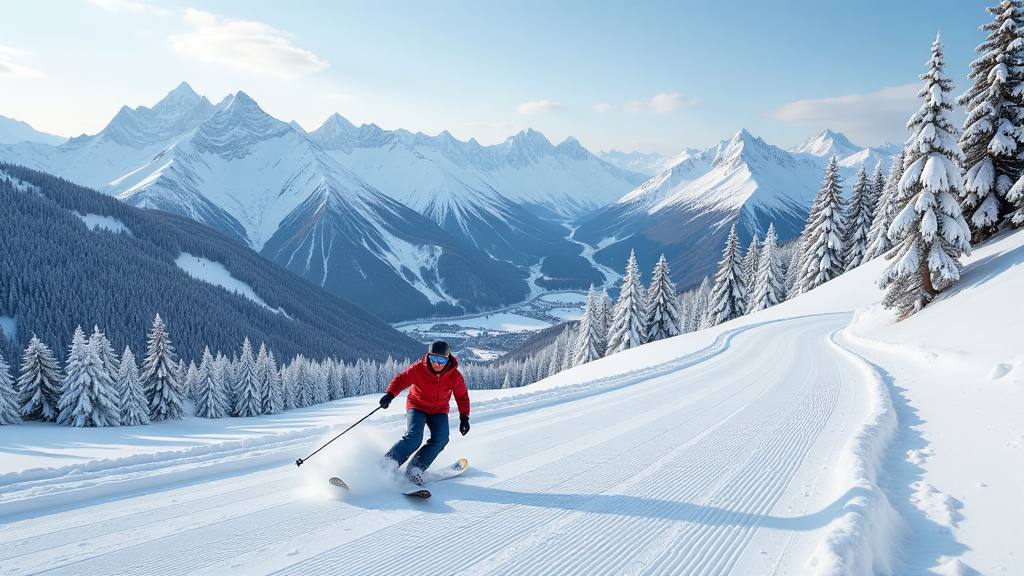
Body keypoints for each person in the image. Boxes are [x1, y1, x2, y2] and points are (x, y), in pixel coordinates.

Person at [379, 340, 470, 485]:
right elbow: (401, 380)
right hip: (417, 405)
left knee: (441, 439)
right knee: (414, 437)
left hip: (439, 410)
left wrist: (464, 417)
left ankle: (415, 469)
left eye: (441, 359)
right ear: (428, 356)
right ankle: (386, 466)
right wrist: (390, 394)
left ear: (448, 359)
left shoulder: (454, 375)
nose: (437, 363)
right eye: (434, 358)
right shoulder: (419, 368)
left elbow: (462, 397)